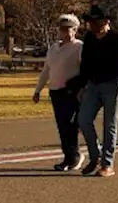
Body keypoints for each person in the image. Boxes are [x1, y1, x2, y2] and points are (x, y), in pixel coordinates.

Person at [72, 4, 118, 177]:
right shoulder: (90, 39)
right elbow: (85, 65)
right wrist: (81, 86)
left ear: (106, 22)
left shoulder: (117, 40)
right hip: (92, 85)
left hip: (113, 86)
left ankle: (107, 164)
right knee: (83, 119)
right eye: (91, 23)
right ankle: (95, 155)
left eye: (96, 23)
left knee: (110, 125)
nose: (93, 26)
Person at [33, 14, 85, 171]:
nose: (64, 32)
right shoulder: (53, 49)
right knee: (62, 127)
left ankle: (75, 156)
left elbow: (85, 71)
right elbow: (46, 70)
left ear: (75, 30)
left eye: (68, 29)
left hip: (71, 93)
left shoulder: (79, 47)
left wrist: (81, 90)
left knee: (70, 126)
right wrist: (38, 90)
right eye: (62, 29)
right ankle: (68, 158)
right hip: (55, 92)